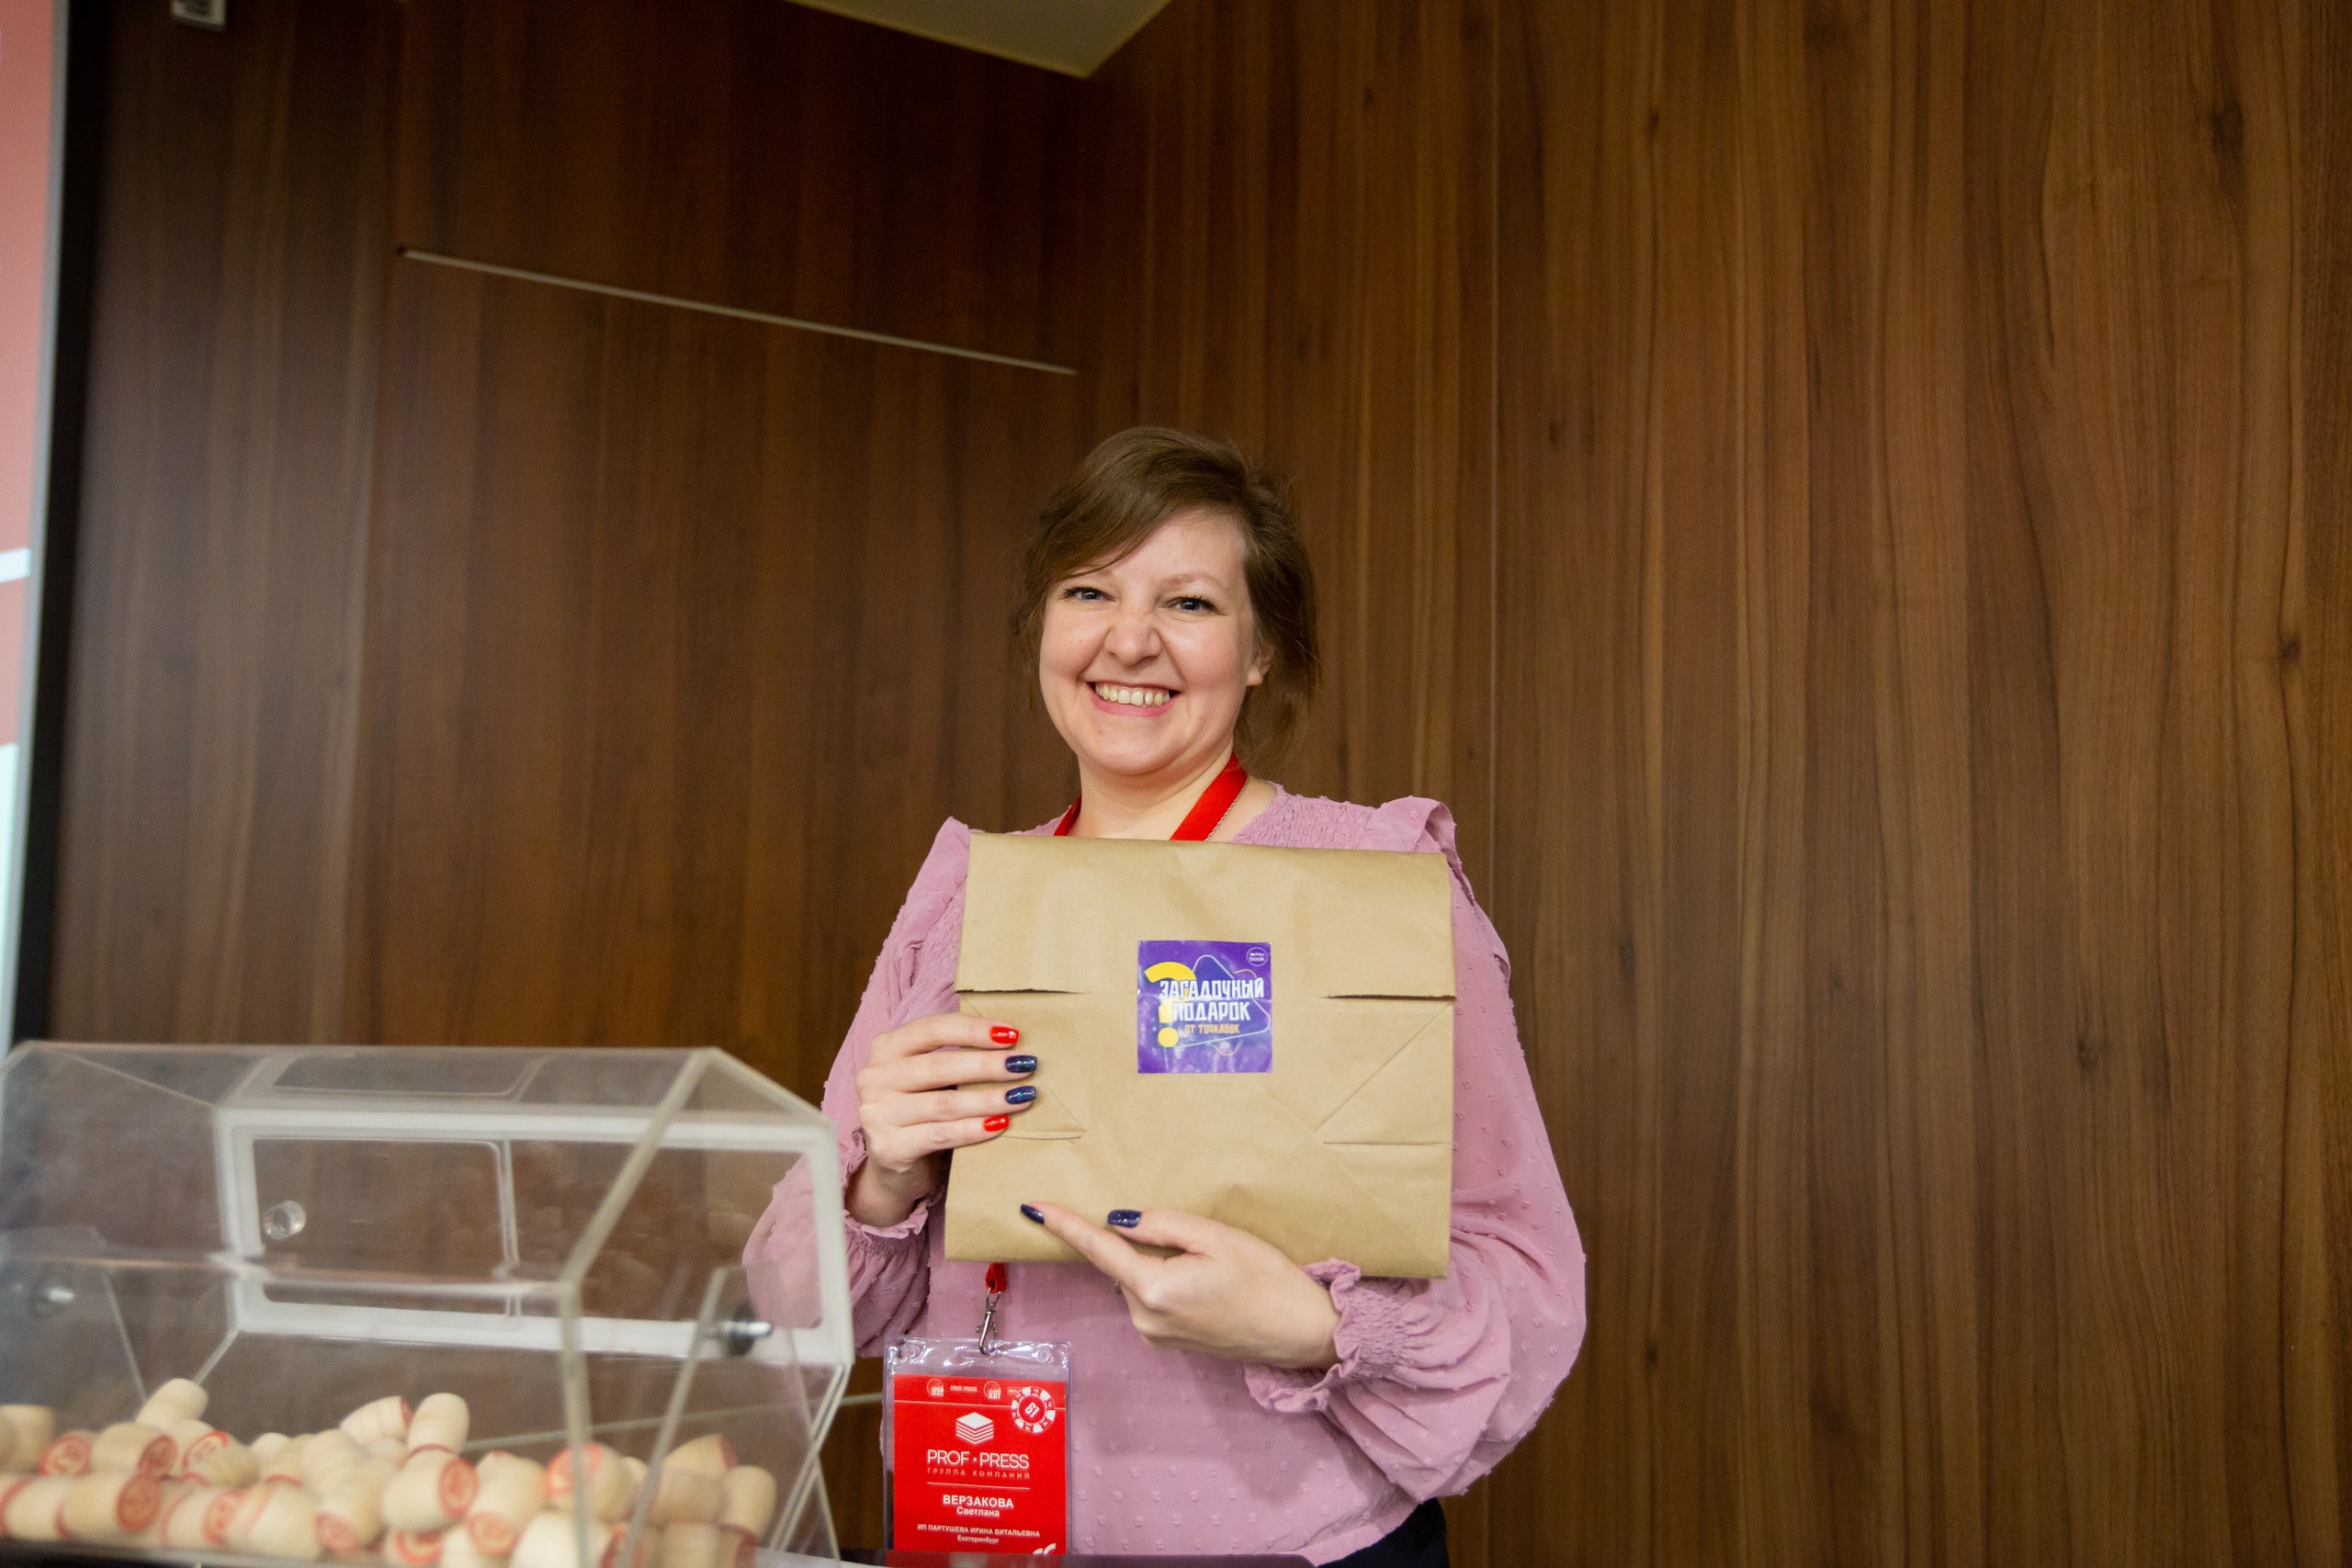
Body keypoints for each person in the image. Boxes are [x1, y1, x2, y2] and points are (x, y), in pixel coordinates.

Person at [748, 428, 1585, 1565]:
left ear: (1261, 649)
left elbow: (1527, 1275)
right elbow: (788, 1308)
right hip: (980, 1528)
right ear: (1043, 628)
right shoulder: (964, 903)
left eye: (1188, 603)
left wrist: (1312, 1326)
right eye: (1088, 591)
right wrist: (881, 1181)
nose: (1129, 638)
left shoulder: (1374, 888)